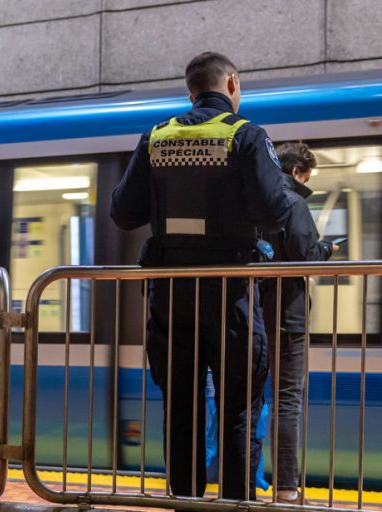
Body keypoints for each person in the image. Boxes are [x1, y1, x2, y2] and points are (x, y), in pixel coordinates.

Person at [110, 51, 293, 501]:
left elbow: (123, 212)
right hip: (231, 293)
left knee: (182, 407)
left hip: (170, 296)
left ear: (191, 91)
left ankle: (186, 501)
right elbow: (276, 212)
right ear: (231, 83)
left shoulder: (156, 137)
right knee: (238, 408)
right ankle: (233, 504)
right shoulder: (245, 135)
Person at [261, 142, 336, 504]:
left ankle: (240, 485)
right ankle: (288, 490)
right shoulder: (293, 203)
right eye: (306, 178)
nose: (305, 183)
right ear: (295, 172)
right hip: (286, 316)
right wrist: (326, 250)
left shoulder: (254, 200)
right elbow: (306, 255)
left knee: (245, 399)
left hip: (250, 313)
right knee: (287, 400)